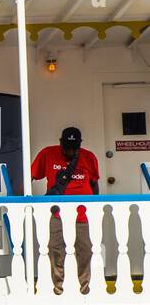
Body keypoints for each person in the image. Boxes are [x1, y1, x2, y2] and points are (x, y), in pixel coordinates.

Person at [31, 126, 99, 295]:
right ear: (60, 142)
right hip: (56, 215)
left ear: (79, 145)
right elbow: (29, 176)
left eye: (73, 148)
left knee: (85, 253)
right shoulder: (47, 154)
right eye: (66, 147)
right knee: (56, 252)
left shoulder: (89, 157)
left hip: (82, 216)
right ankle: (58, 290)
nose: (69, 151)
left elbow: (94, 185)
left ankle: (84, 290)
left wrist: (94, 208)